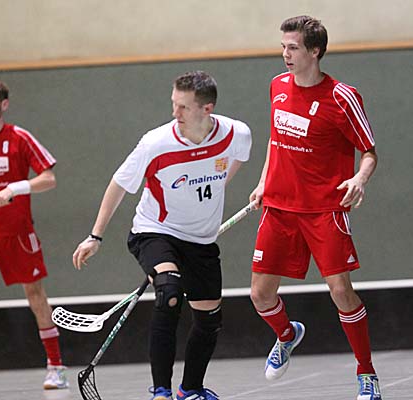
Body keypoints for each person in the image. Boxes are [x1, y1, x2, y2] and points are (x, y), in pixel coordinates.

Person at [72, 70, 252, 400]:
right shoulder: (156, 143)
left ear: (207, 109)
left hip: (201, 241)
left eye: (183, 107)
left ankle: (191, 389)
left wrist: (213, 194)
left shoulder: (236, 134)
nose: (175, 112)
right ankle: (161, 391)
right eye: (174, 104)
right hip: (155, 231)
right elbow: (119, 184)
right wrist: (95, 236)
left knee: (209, 319)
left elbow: (235, 161)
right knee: (169, 293)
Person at [248, 16, 382, 400]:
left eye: (293, 48)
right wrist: (263, 182)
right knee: (260, 295)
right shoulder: (277, 86)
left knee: (341, 291)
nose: (285, 54)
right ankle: (287, 335)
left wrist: (359, 179)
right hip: (279, 207)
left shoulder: (342, 97)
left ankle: (367, 373)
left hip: (325, 210)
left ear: (315, 51)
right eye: (283, 47)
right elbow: (275, 140)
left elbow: (369, 152)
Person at [0, 78, 68, 391]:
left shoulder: (20, 138)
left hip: (17, 234)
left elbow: (49, 178)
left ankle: (56, 366)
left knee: (35, 295)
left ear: (4, 104)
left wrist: (16, 188)